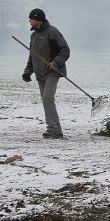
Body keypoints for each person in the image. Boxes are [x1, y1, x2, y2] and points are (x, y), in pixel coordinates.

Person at [21, 8, 70, 139]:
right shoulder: (34, 36)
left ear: (38, 19)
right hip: (40, 72)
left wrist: (55, 62)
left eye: (31, 18)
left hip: (53, 71)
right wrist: (28, 71)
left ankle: (52, 129)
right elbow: (32, 56)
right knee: (46, 100)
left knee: (47, 97)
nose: (29, 21)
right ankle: (57, 131)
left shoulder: (52, 32)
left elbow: (65, 50)